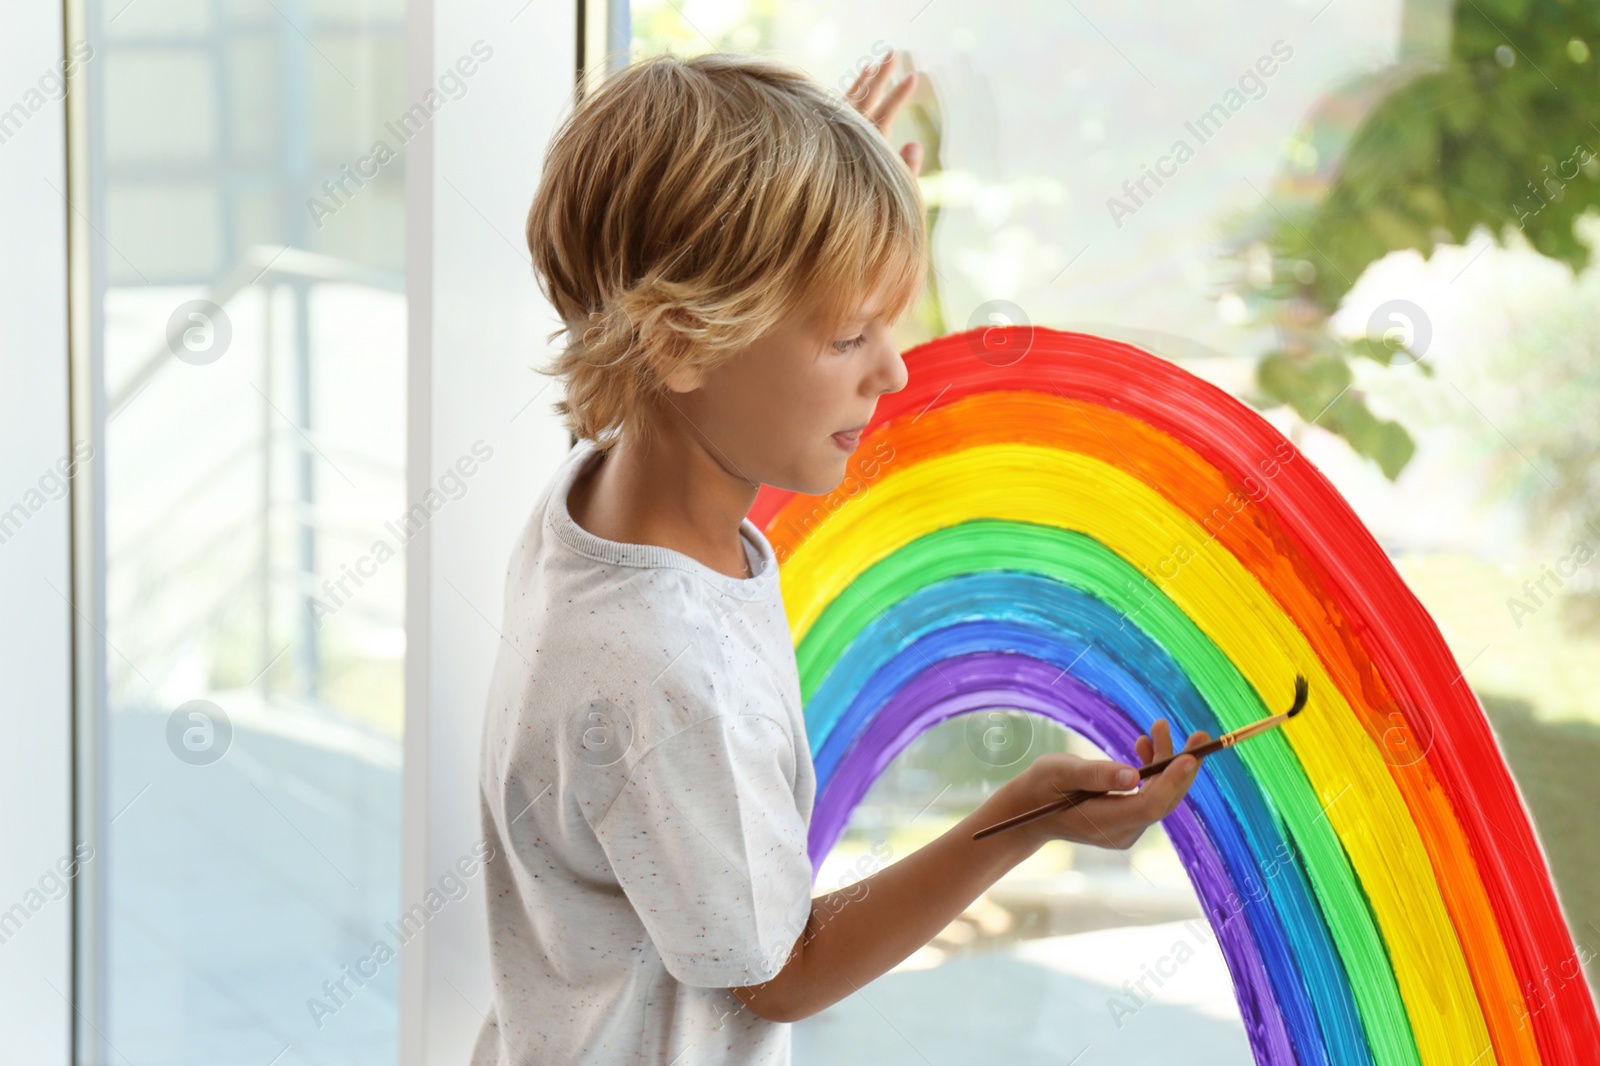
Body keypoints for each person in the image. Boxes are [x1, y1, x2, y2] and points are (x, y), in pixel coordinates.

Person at [470, 46, 1209, 1065]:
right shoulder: (665, 675)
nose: (895, 370)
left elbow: (722, 394)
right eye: (850, 336)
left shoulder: (609, 500)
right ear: (683, 343)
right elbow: (787, 971)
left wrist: (809, 205)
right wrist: (1020, 818)